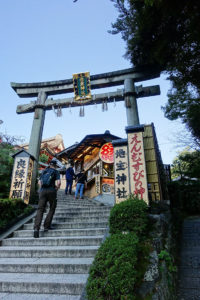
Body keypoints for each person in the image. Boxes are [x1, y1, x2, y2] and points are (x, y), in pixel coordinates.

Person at [33, 158, 61, 238]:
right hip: (51, 190)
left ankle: (36, 228)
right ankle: (46, 226)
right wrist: (56, 189)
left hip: (42, 191)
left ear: (49, 165)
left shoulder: (44, 171)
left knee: (40, 209)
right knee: (52, 207)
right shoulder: (56, 172)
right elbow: (59, 182)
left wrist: (41, 190)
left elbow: (39, 182)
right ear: (55, 165)